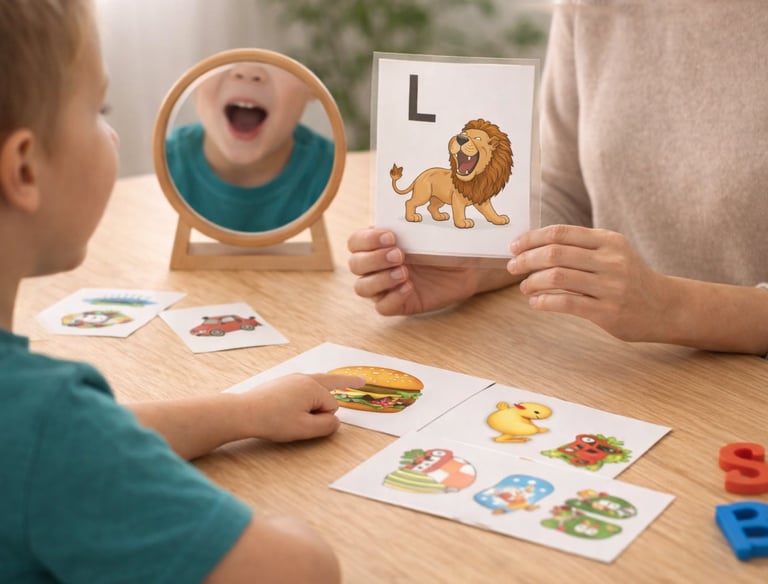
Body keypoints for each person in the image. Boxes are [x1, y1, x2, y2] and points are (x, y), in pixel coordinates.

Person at [0, 2, 364, 582]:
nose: (114, 130)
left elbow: (85, 445)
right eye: (101, 109)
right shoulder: (47, 427)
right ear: (22, 170)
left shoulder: (42, 428)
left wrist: (240, 412)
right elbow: (300, 569)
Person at [347, 0, 768, 356]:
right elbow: (565, 190)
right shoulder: (592, 8)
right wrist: (481, 261)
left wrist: (670, 307)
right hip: (621, 368)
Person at [165, 61, 335, 232]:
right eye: (222, 54)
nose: (247, 71)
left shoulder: (335, 174)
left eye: (279, 59)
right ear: (193, 79)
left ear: (312, 87)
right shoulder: (164, 165)